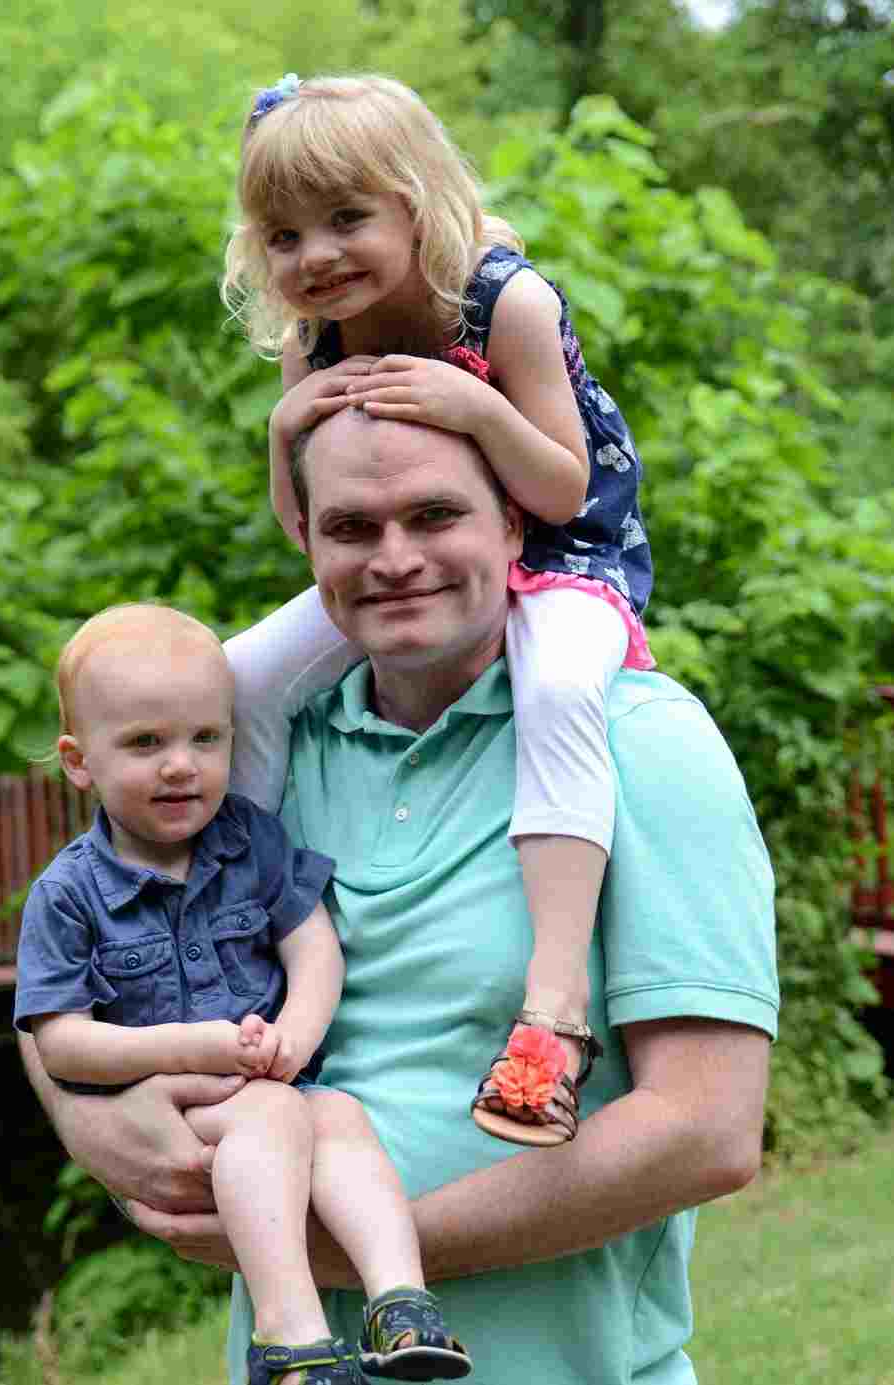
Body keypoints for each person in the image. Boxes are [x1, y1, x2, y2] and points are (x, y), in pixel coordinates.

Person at [19, 407, 778, 1385]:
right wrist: (90, 1125)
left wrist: (373, 1257)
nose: (394, 558)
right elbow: (71, 966)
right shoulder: (254, 762)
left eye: (434, 514)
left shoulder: (640, 742)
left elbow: (707, 1130)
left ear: (514, 521)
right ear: (306, 540)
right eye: (351, 526)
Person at [220, 72, 657, 1146]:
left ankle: (553, 1004)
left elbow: (564, 487)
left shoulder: (506, 302)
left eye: (346, 219)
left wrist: (475, 407)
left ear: (416, 204)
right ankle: (238, 933)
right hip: (409, 558)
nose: (317, 257)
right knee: (240, 677)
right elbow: (305, 523)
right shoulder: (314, 337)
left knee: (557, 687)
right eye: (285, 236)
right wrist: (284, 431)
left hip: (562, 552)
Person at [13, 603, 471, 1385]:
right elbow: (60, 1039)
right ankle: (288, 1334)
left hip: (270, 1077)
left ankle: (400, 1301)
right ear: (79, 761)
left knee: (337, 1113)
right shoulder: (68, 894)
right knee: (273, 1114)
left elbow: (312, 945)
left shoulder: (247, 840)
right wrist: (190, 1048)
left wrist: (296, 1032)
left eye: (206, 738)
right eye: (145, 743)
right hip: (174, 1101)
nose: (181, 765)